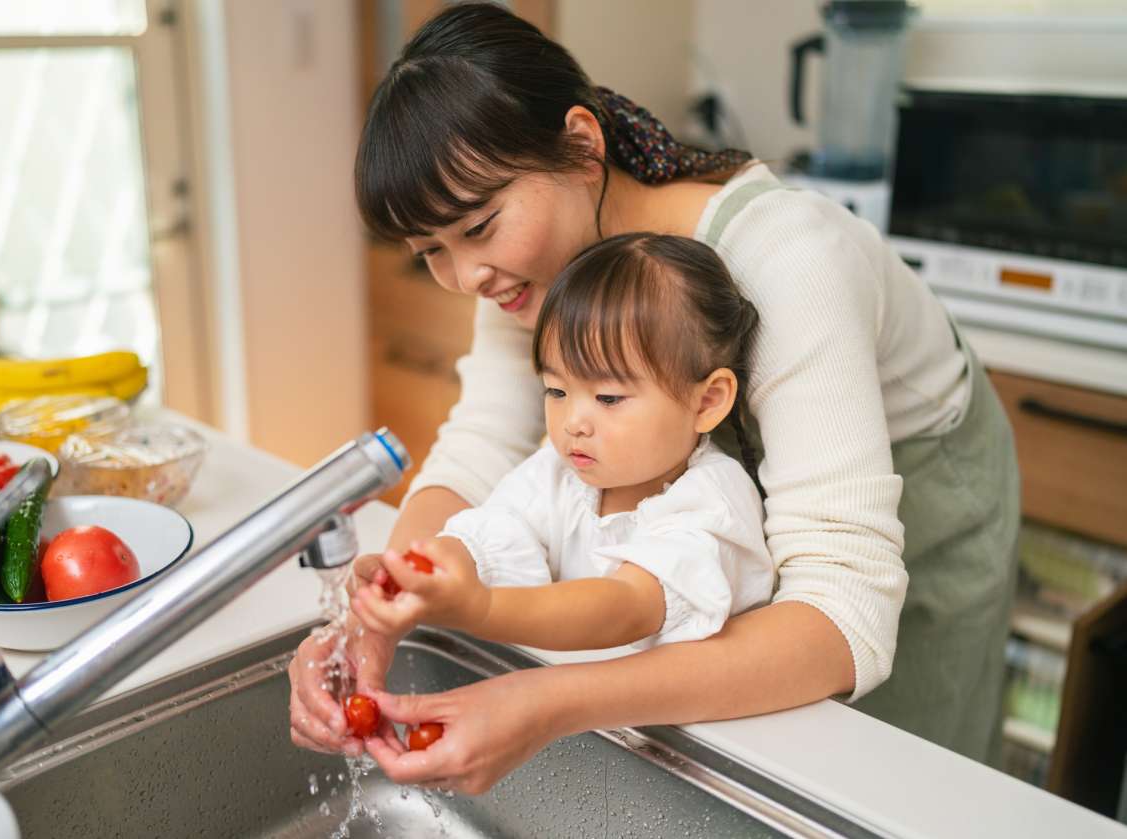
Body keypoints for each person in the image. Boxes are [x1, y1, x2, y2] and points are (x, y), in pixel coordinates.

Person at [288, 2, 1019, 793]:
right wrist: (372, 619)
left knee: (888, 783)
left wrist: (547, 702)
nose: (466, 276)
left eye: (481, 226)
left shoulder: (787, 263)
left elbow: (844, 615)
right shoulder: (536, 268)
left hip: (919, 498)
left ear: (581, 144)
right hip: (745, 504)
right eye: (431, 250)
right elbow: (479, 446)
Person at [350, 233, 774, 655]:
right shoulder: (559, 473)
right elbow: (492, 533)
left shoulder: (713, 503)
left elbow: (625, 607)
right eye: (556, 391)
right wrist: (426, 571)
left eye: (608, 398)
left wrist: (482, 608)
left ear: (708, 401)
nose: (573, 423)